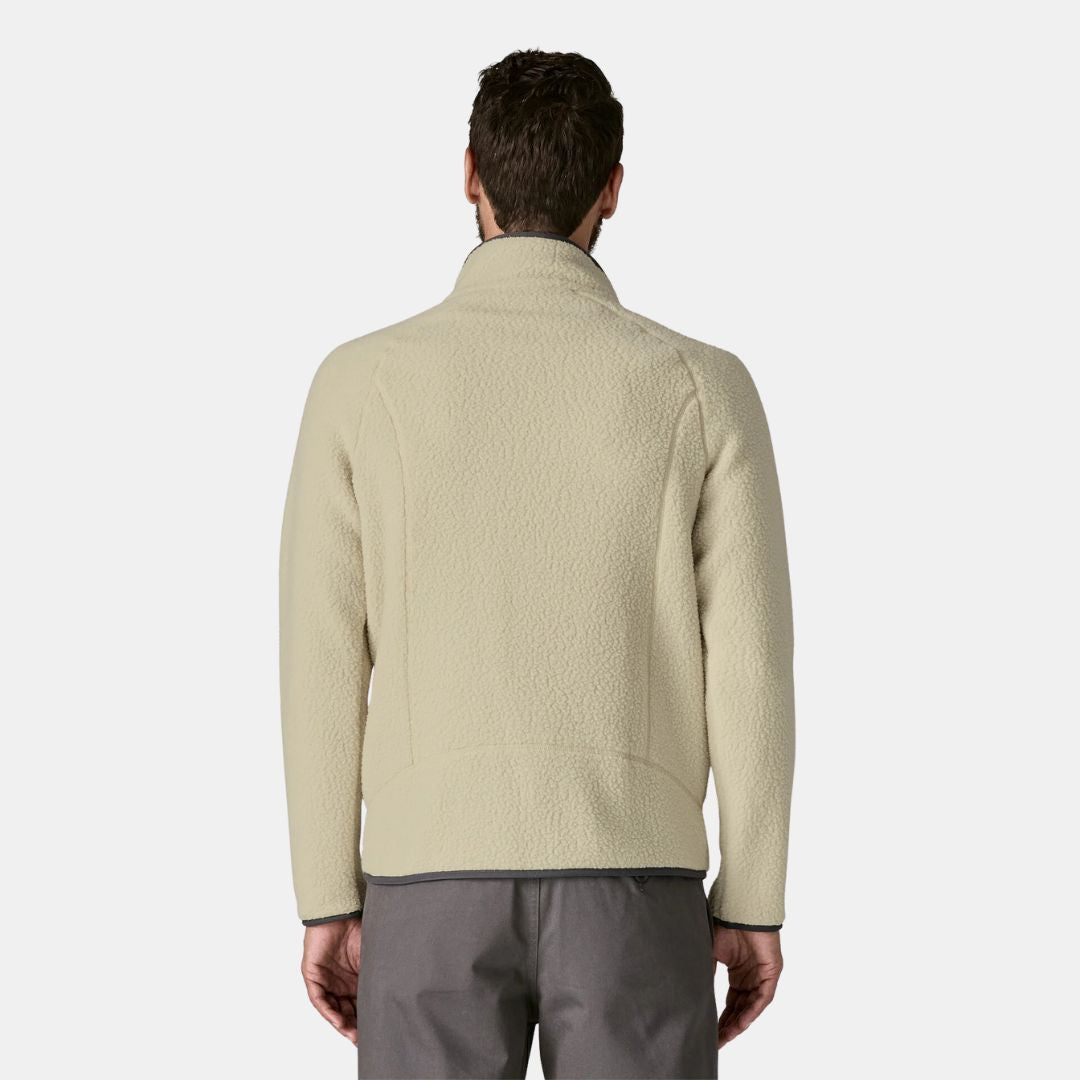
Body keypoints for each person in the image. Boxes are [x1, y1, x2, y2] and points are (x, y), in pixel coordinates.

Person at [279, 48, 796, 1080]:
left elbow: (321, 657)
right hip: (634, 883)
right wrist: (753, 901)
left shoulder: (358, 385)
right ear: (613, 188)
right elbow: (750, 668)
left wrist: (327, 894)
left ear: (469, 173)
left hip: (426, 882)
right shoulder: (702, 388)